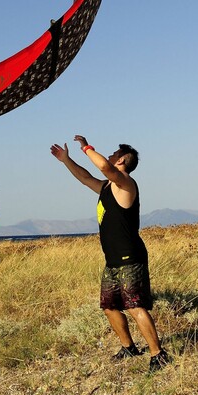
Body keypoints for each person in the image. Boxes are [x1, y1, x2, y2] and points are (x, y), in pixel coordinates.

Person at [50, 135, 169, 372]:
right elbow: (85, 178)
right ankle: (129, 347)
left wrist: (86, 147)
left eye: (115, 153)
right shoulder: (107, 187)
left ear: (123, 160)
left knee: (135, 306)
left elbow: (104, 166)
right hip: (112, 259)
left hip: (130, 257)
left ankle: (158, 354)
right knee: (109, 306)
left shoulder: (125, 183)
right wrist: (66, 160)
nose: (111, 155)